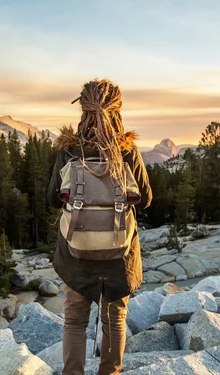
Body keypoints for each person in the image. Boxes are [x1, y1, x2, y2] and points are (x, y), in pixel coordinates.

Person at [47, 79, 152, 375]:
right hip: (120, 253)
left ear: (82, 108)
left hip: (77, 253)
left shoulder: (69, 151)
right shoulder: (126, 151)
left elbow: (53, 199)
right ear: (118, 110)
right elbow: (145, 198)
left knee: (75, 320)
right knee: (115, 319)